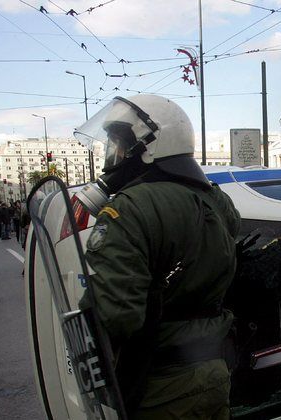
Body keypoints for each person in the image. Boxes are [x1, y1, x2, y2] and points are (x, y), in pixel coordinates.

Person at [76, 94, 240, 419]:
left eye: (121, 146)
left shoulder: (128, 207)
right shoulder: (216, 201)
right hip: (214, 371)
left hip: (160, 385)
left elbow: (118, 315)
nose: (114, 156)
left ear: (149, 146)